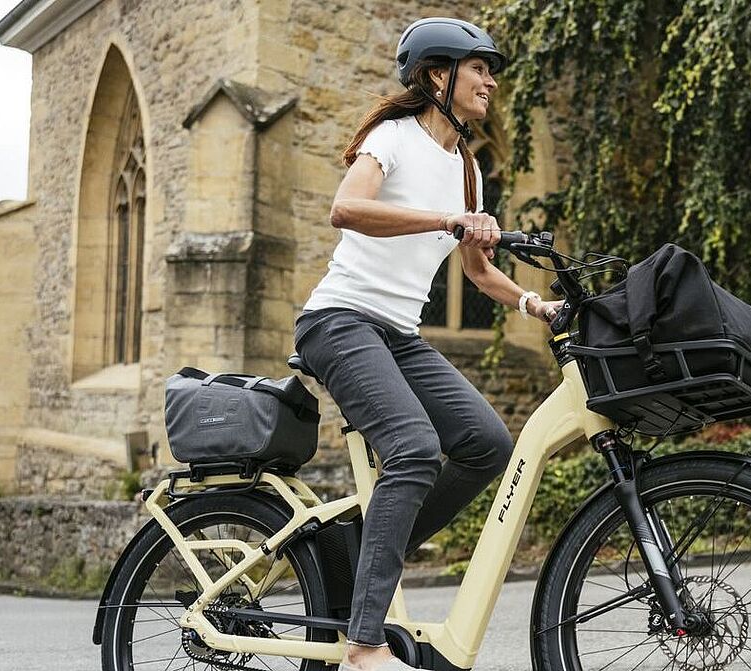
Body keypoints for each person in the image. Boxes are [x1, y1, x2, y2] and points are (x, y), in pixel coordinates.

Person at [293, 17, 560, 671]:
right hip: (340, 320)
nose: (490, 80)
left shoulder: (466, 166)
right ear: (438, 74)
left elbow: (475, 270)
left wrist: (534, 302)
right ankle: (362, 644)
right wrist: (446, 218)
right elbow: (345, 208)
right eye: (478, 68)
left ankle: (368, 547)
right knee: (412, 447)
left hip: (399, 334)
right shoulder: (392, 138)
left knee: (487, 443)